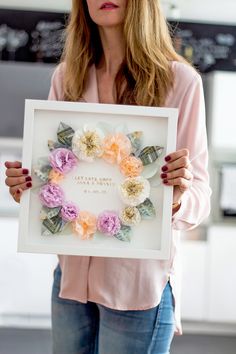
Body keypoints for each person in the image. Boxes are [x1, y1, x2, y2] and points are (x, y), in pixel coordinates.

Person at [5, 1, 211, 353]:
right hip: (71, 280)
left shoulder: (180, 81)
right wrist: (30, 187)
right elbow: (54, 173)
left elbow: (201, 197)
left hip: (138, 288)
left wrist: (177, 198)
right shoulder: (67, 75)